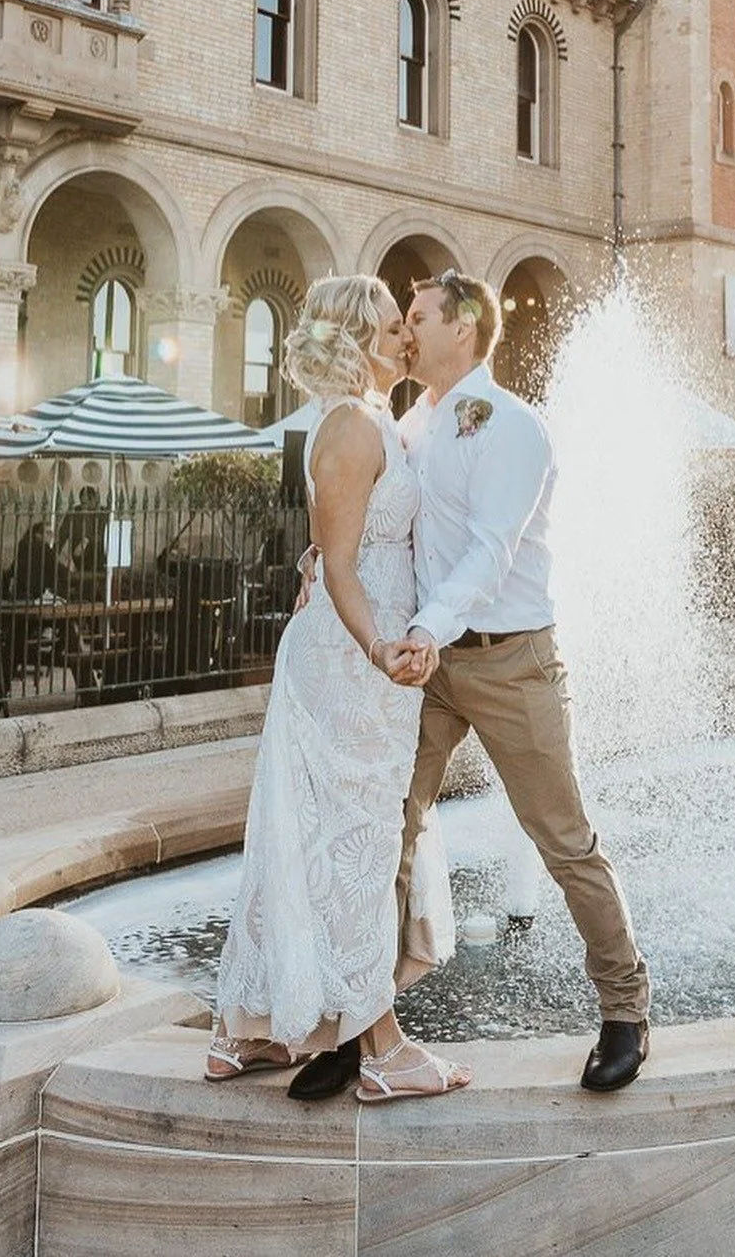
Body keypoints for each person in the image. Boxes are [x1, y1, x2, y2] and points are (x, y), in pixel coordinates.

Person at [210, 275, 465, 1104]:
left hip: (362, 652)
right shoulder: (353, 425)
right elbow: (346, 563)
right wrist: (378, 646)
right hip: (354, 661)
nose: (405, 338)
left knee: (317, 837)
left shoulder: (367, 418)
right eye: (392, 328)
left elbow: (329, 549)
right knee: (355, 845)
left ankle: (248, 1029)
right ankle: (382, 1050)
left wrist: (322, 571)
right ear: (357, 341)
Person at [394, 270, 650, 1092]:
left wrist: (425, 628)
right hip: (433, 666)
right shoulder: (413, 421)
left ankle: (625, 1009)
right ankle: (364, 1021)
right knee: (387, 827)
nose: (405, 330)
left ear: (463, 328)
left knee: (563, 841)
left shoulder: (514, 427)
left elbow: (491, 550)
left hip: (512, 662)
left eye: (418, 316)